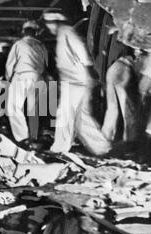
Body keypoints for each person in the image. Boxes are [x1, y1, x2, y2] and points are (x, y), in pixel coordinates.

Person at [43, 13, 111, 156]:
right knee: (81, 117)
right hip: (75, 80)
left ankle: (60, 147)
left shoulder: (66, 32)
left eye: (48, 24)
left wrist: (88, 68)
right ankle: (103, 147)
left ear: (54, 23)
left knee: (65, 114)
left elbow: (80, 49)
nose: (48, 27)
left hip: (75, 80)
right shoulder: (64, 33)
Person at [6, 20, 48, 144]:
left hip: (21, 76)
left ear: (23, 31)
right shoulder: (41, 45)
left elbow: (10, 64)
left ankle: (23, 138)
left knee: (13, 107)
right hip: (37, 77)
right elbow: (46, 65)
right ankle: (34, 137)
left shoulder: (18, 44)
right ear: (35, 32)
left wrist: (8, 79)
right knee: (33, 110)